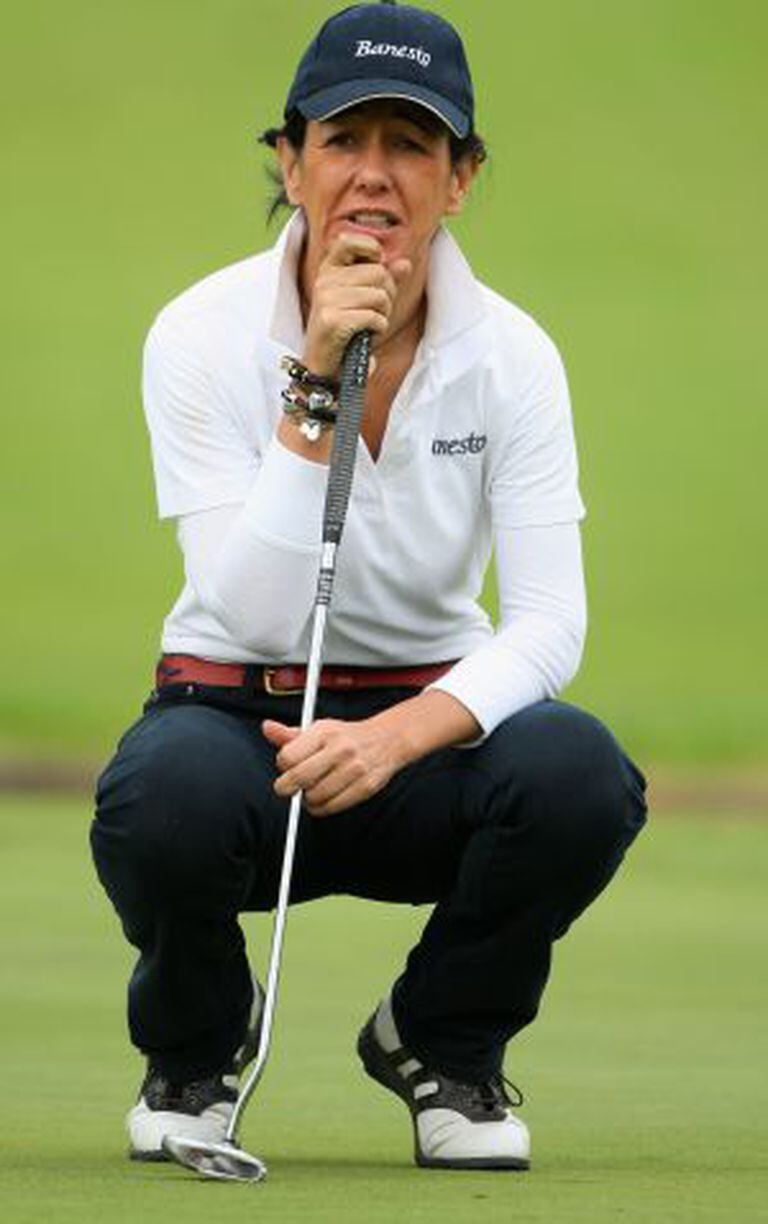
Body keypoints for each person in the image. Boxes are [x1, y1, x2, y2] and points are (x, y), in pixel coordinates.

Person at [91, 0, 647, 1172]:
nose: (375, 174)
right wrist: (311, 389)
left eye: (413, 144)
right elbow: (249, 614)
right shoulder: (198, 334)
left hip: (424, 737)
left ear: (462, 177)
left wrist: (393, 739)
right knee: (163, 796)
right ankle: (196, 1051)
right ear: (290, 163)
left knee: (580, 773)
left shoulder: (514, 358)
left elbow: (550, 626)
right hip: (237, 724)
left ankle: (440, 1041)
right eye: (344, 140)